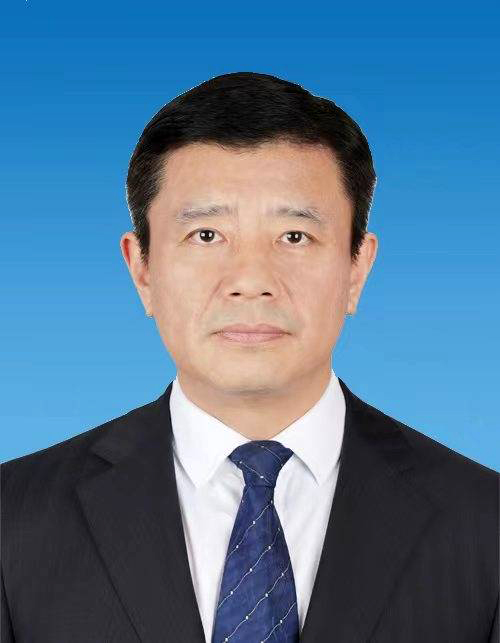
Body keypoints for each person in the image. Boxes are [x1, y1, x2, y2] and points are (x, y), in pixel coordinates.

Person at [1, 72, 498, 643]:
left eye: (294, 236)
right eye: (206, 235)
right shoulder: (14, 519)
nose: (251, 281)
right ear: (141, 268)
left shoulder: (484, 525)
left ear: (357, 267)